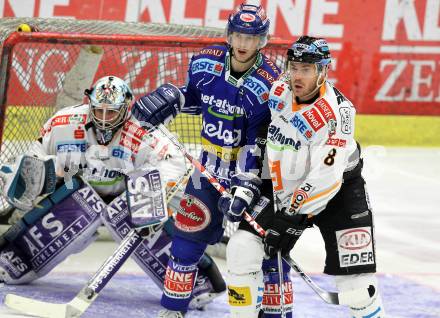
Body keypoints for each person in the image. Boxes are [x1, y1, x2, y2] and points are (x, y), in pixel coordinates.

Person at [0, 75, 225, 311]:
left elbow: (176, 161)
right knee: (81, 201)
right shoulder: (64, 122)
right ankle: (13, 260)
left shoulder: (142, 128)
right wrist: (36, 174)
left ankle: (198, 281)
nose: (105, 119)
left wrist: (150, 191)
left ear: (126, 107)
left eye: (112, 112)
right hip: (81, 195)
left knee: (130, 211)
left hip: (128, 199)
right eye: (99, 111)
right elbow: (32, 162)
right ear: (89, 104)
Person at [131, 4, 286, 317]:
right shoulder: (205, 62)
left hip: (257, 179)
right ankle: (173, 310)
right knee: (185, 242)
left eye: (251, 37)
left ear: (262, 41)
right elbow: (194, 99)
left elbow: (260, 141)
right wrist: (173, 98)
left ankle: (276, 313)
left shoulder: (271, 85)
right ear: (230, 35)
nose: (243, 43)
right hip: (208, 173)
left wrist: (245, 185)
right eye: (239, 35)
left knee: (267, 254)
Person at [228, 36, 386, 317]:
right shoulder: (279, 92)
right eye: (294, 67)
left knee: (357, 287)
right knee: (241, 249)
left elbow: (327, 176)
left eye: (306, 69)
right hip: (286, 186)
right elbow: (265, 138)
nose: (297, 75)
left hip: (340, 193)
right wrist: (249, 182)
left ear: (323, 71)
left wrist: (292, 218)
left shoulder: (339, 114)